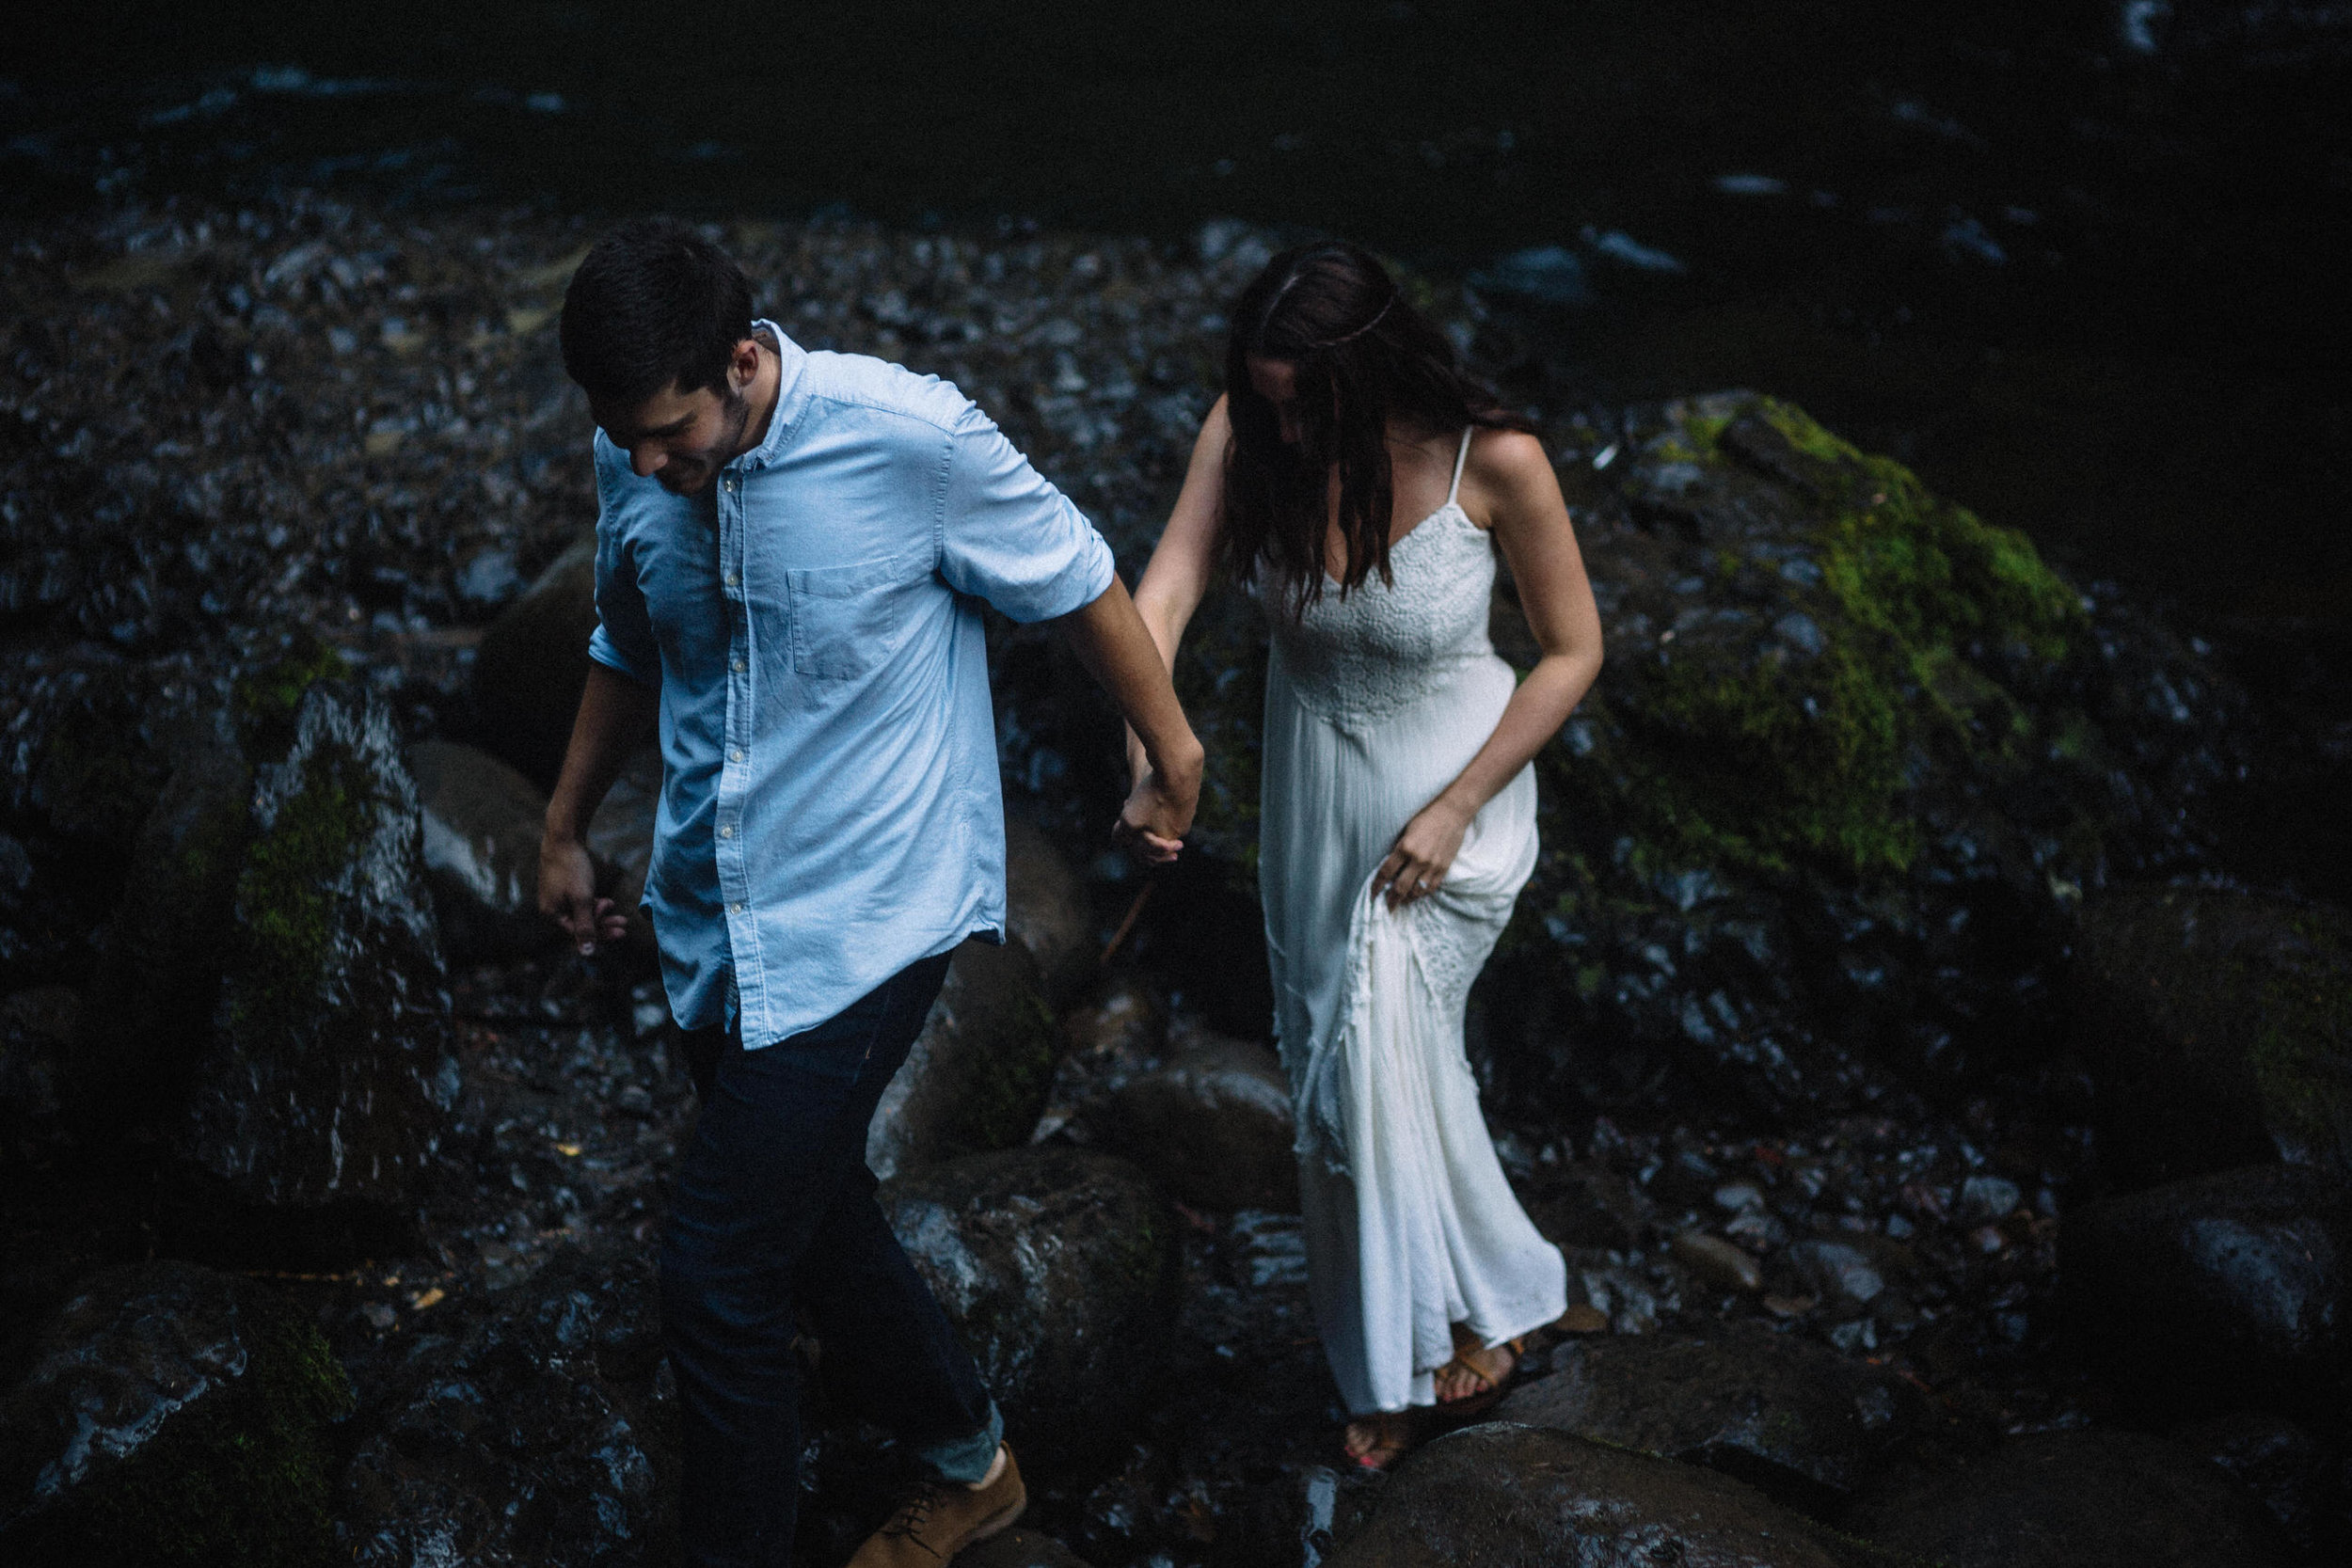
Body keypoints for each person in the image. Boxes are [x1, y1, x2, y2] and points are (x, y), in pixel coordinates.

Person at [537, 217, 1201, 1567]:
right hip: (710, 919)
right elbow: (621, 638)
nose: (650, 467)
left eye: (671, 434)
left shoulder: (912, 439)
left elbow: (1077, 573)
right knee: (814, 1206)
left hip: (866, 926)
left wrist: (1174, 757)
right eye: (626, 439)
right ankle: (972, 1464)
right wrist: (560, 828)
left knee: (718, 1278)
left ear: (739, 362)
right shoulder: (633, 452)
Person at [1129, 241, 1602, 1469]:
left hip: (1458, 788)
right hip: (1316, 794)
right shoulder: (1252, 431)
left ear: (1374, 371)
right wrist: (1151, 741)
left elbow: (1571, 653)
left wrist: (1456, 807)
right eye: (1268, 401)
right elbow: (1168, 592)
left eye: (1307, 405)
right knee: (1342, 1064)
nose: (1284, 432)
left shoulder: (1491, 460)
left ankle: (1413, 1356)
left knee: (1383, 1037)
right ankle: (1483, 1291)